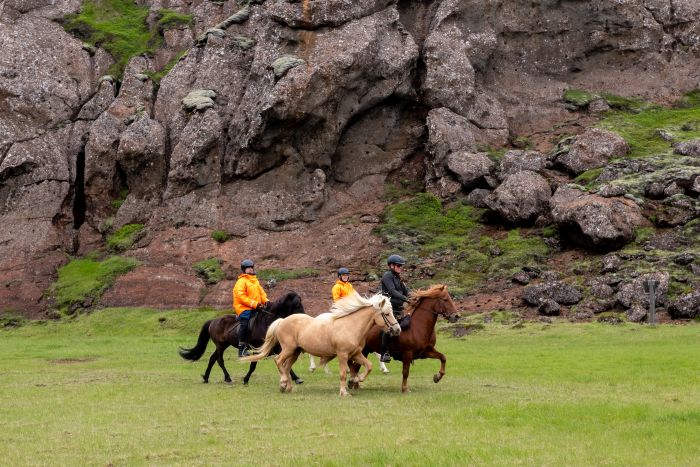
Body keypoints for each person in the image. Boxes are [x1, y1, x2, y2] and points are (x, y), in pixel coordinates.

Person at [233, 259, 268, 357]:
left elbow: (262, 293)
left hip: (255, 306)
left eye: (251, 268)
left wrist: (266, 301)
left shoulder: (255, 281)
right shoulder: (241, 281)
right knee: (244, 324)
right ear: (244, 270)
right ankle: (241, 348)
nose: (250, 270)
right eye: (248, 268)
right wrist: (254, 304)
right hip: (244, 308)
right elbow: (240, 296)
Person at [379, 254, 410, 362]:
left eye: (401, 266)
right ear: (391, 265)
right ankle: (384, 353)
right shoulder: (387, 276)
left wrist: (414, 298)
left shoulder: (398, 278)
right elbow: (392, 291)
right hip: (388, 307)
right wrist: (405, 299)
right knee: (388, 329)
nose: (400, 268)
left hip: (399, 307)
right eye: (398, 265)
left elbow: (406, 292)